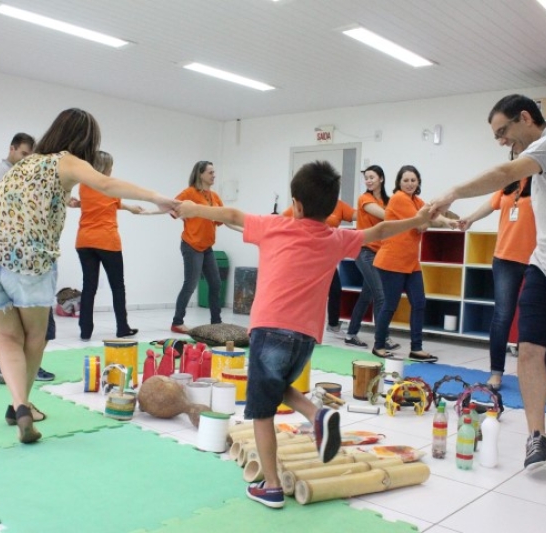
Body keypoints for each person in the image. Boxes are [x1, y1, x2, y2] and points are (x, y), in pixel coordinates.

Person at [175, 161, 430, 509]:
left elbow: (232, 214)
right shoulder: (337, 237)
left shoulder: (275, 226)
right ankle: (316, 414)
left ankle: (272, 485)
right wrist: (418, 221)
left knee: (261, 409)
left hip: (269, 329)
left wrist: (193, 208)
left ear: (295, 204)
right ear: (331, 209)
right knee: (274, 386)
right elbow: (380, 231)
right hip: (306, 339)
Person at [0, 108, 177, 444]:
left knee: (6, 339)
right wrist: (159, 198)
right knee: (35, 335)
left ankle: (19, 406)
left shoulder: (27, 162)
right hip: (27, 258)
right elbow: (107, 183)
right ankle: (20, 404)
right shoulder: (64, 160)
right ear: (85, 141)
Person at [428, 94, 546, 470]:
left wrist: (451, 191)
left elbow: (502, 174)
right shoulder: (536, 158)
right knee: (530, 349)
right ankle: (536, 435)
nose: (501, 141)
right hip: (544, 265)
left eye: (503, 131)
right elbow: (502, 191)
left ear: (525, 118)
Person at [456, 162, 546, 405]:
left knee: (543, 320)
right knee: (502, 316)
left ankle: (545, 385)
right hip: (504, 259)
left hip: (537, 261)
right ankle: (496, 372)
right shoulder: (508, 185)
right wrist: (469, 219)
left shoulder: (544, 185)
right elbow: (490, 205)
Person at [0, 133, 56, 384]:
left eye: (29, 156)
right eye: (22, 154)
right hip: (15, 256)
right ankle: (25, 368)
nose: (26, 159)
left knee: (21, 326)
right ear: (11, 149)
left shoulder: (17, 171)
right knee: (36, 326)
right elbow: (0, 201)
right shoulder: (5, 172)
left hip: (14, 255)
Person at [373, 165, 455, 362]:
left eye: (413, 180)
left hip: (410, 262)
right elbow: (421, 224)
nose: (409, 184)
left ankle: (416, 348)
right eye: (405, 180)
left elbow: (432, 214)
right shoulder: (399, 198)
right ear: (399, 183)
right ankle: (378, 345)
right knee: (390, 305)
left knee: (419, 303)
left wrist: (448, 221)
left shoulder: (416, 200)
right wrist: (436, 220)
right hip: (391, 261)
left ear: (418, 182)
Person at [70, 151, 143, 340]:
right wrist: (132, 208)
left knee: (89, 286)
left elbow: (107, 204)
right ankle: (122, 327)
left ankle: (85, 330)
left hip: (84, 241)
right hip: (107, 240)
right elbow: (114, 202)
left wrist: (129, 208)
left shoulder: (83, 187)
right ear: (105, 168)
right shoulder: (112, 186)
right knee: (117, 286)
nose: (111, 170)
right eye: (110, 166)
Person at [171, 161, 239, 333]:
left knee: (215, 283)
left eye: (214, 172)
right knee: (190, 284)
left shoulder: (214, 197)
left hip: (207, 247)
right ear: (200, 174)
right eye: (210, 172)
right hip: (191, 245)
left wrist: (239, 226)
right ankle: (177, 322)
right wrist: (180, 214)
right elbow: (173, 207)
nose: (214, 175)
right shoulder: (190, 193)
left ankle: (216, 322)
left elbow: (222, 218)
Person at [344, 165, 400, 352]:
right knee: (381, 296)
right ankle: (382, 339)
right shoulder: (364, 199)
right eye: (366, 178)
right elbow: (385, 216)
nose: (368, 180)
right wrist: (408, 216)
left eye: (372, 177)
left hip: (380, 253)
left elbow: (392, 218)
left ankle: (351, 334)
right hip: (364, 251)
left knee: (367, 295)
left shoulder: (387, 200)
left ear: (381, 179)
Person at [282, 199, 356, 336]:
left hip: (326, 257)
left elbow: (357, 215)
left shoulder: (338, 204)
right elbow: (281, 220)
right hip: (305, 257)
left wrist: (373, 208)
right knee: (306, 293)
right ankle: (297, 325)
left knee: (335, 290)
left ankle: (333, 324)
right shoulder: (305, 203)